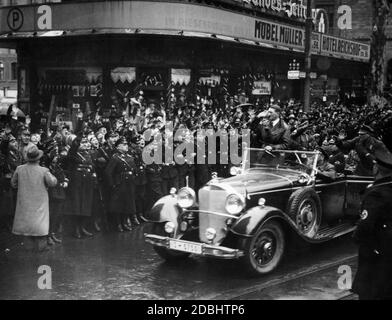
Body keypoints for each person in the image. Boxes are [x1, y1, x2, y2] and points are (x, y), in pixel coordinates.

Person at [351, 146, 392, 300]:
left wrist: (357, 238)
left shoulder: (376, 193)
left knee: (371, 290)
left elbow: (365, 225)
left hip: (378, 251)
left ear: (376, 168)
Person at [11, 145, 58, 251]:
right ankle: (40, 247)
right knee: (40, 223)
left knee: (27, 223)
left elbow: (13, 184)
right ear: (38, 158)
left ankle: (28, 246)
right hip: (40, 201)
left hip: (25, 200)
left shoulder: (19, 169)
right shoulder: (44, 170)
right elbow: (52, 183)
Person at [105, 136, 139, 232]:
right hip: (120, 183)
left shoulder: (129, 157)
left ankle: (125, 222)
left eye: (126, 144)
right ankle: (119, 224)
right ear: (118, 147)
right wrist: (112, 184)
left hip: (129, 183)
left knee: (128, 204)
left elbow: (134, 170)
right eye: (123, 145)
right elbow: (108, 172)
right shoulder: (115, 157)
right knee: (119, 205)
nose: (126, 146)